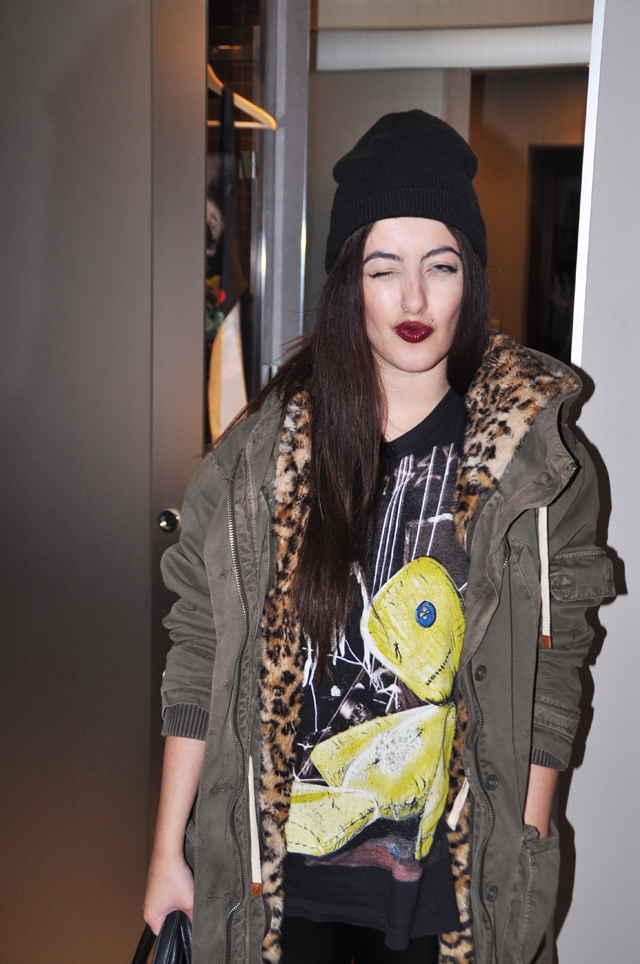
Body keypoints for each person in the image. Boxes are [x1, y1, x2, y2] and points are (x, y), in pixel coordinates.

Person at [143, 111, 614, 964]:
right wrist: (166, 849)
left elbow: (555, 677)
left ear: (470, 278)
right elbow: (199, 649)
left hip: (446, 894)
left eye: (441, 265)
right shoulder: (260, 459)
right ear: (347, 283)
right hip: (279, 887)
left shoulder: (536, 467)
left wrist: (527, 844)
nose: (413, 299)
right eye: (383, 268)